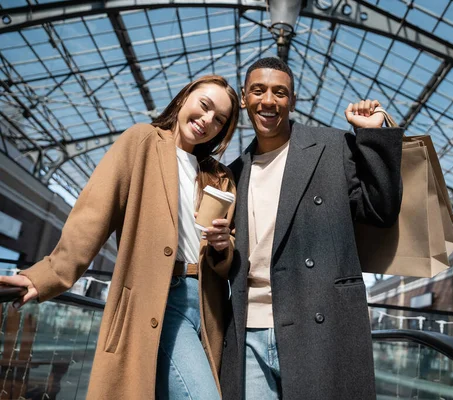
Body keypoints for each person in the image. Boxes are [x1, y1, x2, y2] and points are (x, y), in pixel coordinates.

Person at [0, 75, 240, 399]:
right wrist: (48, 275)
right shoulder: (142, 142)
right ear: (185, 98)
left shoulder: (220, 177)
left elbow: (223, 263)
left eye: (219, 119)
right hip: (160, 298)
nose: (207, 120)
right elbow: (93, 214)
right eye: (204, 105)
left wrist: (223, 248)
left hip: (209, 307)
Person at [221, 57, 403, 400]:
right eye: (258, 91)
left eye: (280, 92)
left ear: (292, 100)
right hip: (248, 332)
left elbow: (382, 210)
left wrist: (372, 134)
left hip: (319, 326)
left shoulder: (331, 147)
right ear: (244, 98)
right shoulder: (233, 173)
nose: (269, 101)